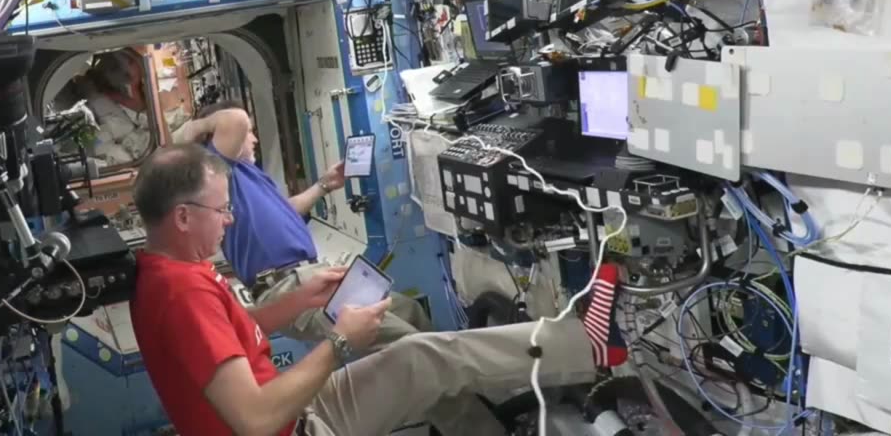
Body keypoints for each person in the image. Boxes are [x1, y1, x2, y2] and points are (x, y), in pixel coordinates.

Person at [129, 145, 601, 436]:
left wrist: (302, 299)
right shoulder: (181, 293)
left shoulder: (167, 271)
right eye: (222, 210)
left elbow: (231, 335)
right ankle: (592, 346)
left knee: (424, 355)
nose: (230, 220)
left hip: (293, 409)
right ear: (184, 217)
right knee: (427, 356)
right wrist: (339, 344)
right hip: (292, 425)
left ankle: (580, 350)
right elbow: (253, 420)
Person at [174, 101, 430, 350]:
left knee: (410, 311)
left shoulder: (248, 175)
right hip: (286, 287)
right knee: (409, 344)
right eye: (249, 133)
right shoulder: (217, 171)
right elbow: (236, 119)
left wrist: (324, 184)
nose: (253, 138)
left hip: (311, 274)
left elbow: (286, 210)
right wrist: (196, 127)